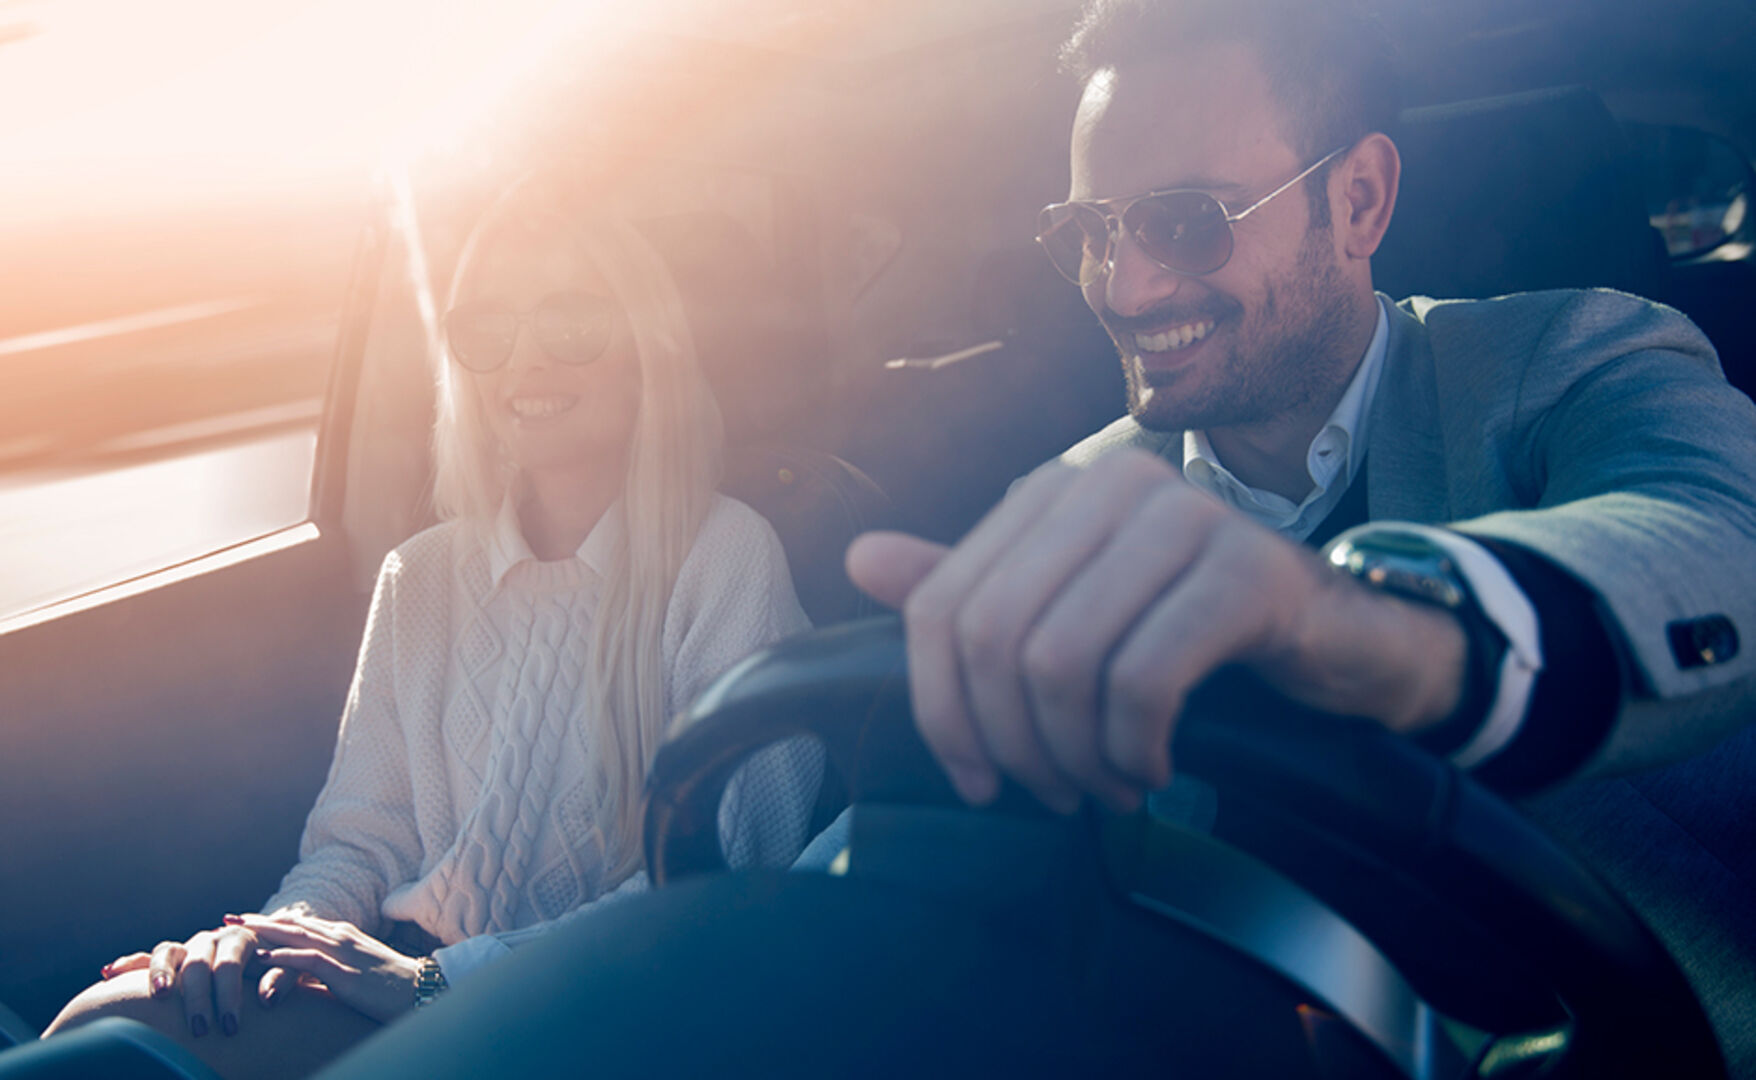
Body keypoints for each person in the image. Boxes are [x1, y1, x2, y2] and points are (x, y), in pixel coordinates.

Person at [839, 0, 1756, 1071]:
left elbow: (1714, 538)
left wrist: (1361, 626)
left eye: (1188, 220)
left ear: (1358, 199)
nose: (1124, 287)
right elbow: (953, 843)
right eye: (1092, 231)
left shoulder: (1568, 357)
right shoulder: (1071, 498)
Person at [40, 181, 822, 1078]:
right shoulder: (420, 577)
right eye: (489, 328)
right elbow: (360, 843)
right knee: (111, 1030)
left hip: (595, 1020)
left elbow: (717, 885)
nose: (525, 361)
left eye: (572, 320)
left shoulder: (727, 559)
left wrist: (440, 983)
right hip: (410, 994)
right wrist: (276, 940)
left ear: (646, 351)